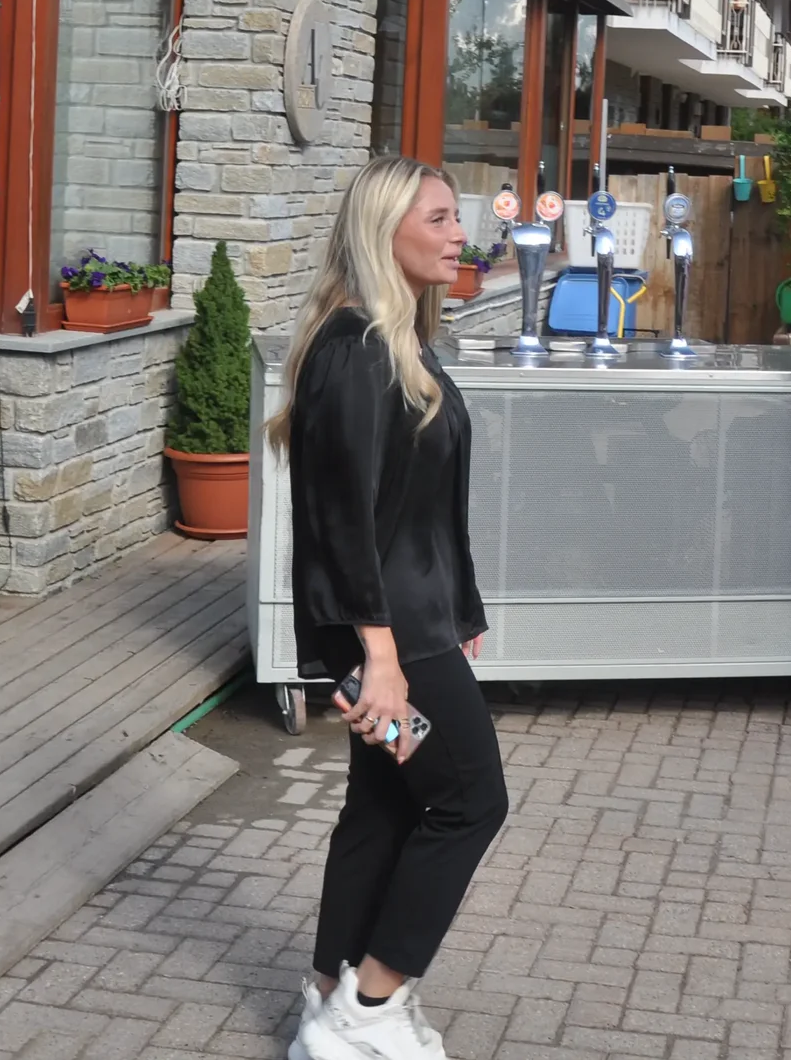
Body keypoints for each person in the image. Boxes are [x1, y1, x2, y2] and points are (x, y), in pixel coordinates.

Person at [271, 154, 507, 1060]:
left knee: (385, 810)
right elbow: (343, 518)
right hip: (389, 638)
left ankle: (329, 998)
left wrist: (464, 605)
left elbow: (422, 500)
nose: (461, 236)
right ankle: (372, 1007)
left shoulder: (396, 336)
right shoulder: (356, 348)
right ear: (386, 231)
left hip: (417, 622)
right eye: (441, 219)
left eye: (458, 218)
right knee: (469, 802)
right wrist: (381, 656)